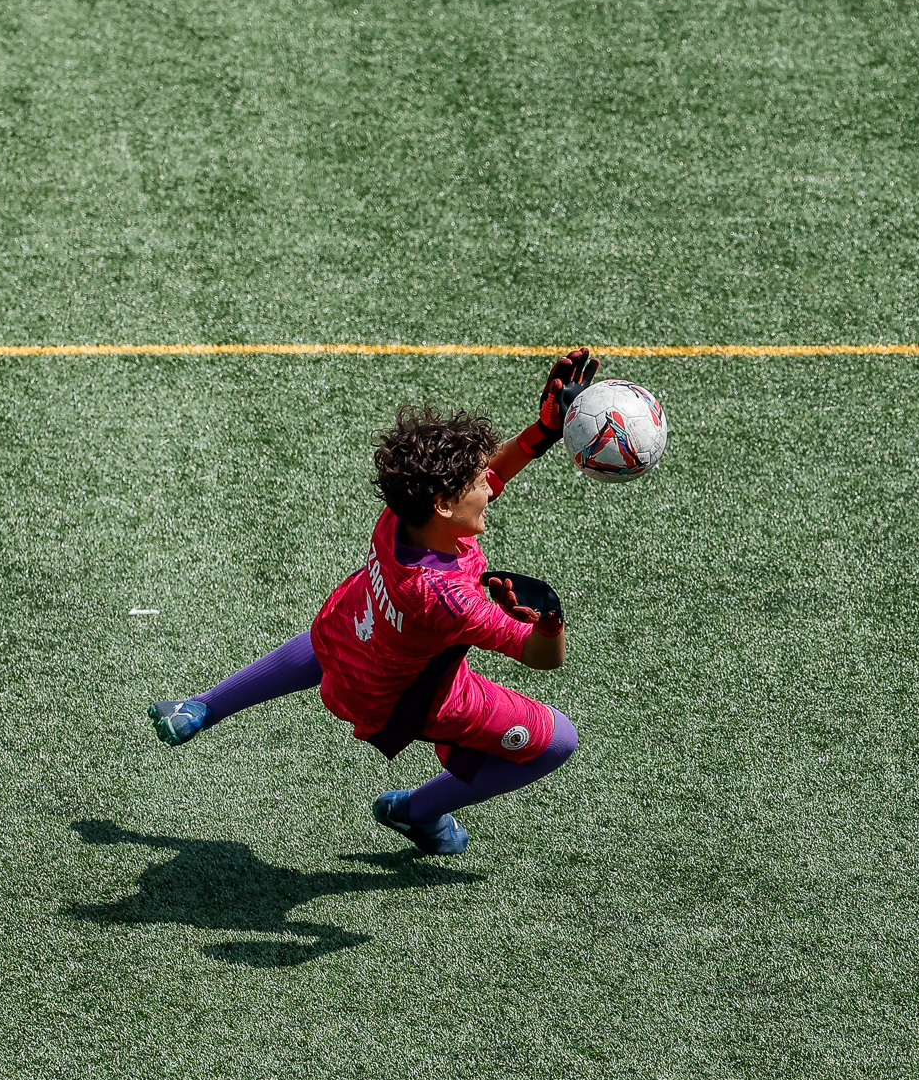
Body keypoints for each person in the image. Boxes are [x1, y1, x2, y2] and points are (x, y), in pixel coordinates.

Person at [147, 348, 600, 857]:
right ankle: (415, 811)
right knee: (558, 741)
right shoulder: (449, 599)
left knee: (343, 632)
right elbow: (543, 659)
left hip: (352, 633)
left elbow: (487, 477)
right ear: (443, 503)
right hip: (400, 697)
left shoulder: (402, 517)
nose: (490, 489)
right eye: (477, 484)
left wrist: (542, 433)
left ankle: (200, 707)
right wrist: (549, 621)